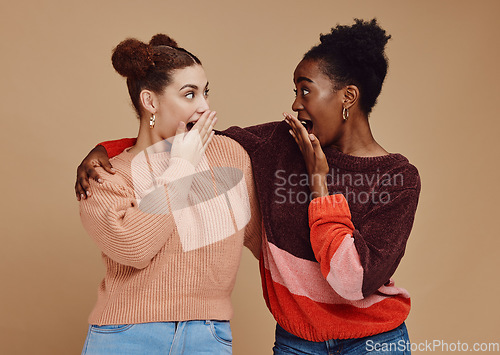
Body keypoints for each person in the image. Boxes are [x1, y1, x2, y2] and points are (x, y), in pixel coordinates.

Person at [76, 19, 420, 354]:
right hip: (290, 342)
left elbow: (350, 279)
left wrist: (319, 183)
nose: (296, 104)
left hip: (370, 340)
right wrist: (107, 149)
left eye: (305, 90)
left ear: (348, 96)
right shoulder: (278, 144)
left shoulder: (395, 178)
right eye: (190, 93)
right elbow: (180, 145)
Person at [77, 33, 261, 355]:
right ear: (150, 101)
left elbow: (263, 239)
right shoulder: (105, 174)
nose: (204, 106)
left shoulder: (230, 156)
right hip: (125, 336)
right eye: (189, 94)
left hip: (208, 336)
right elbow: (135, 248)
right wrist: (181, 166)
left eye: (205, 92)